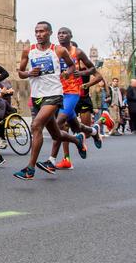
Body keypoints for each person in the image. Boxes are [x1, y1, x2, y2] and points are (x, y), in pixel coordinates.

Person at [13, 21, 87, 181]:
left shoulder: (59, 50)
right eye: (36, 31)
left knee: (36, 125)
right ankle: (77, 139)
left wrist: (68, 73)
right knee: (56, 134)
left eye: (42, 31)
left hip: (54, 94)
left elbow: (72, 66)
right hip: (36, 96)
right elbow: (20, 73)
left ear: (49, 33)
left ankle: (30, 169)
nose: (39, 34)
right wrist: (29, 73)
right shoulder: (28, 50)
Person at [41, 33, 102, 172]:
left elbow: (98, 75)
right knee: (70, 127)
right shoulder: (58, 57)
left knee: (60, 125)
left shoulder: (79, 58)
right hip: (61, 94)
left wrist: (85, 83)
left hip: (79, 96)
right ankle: (93, 132)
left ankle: (52, 160)